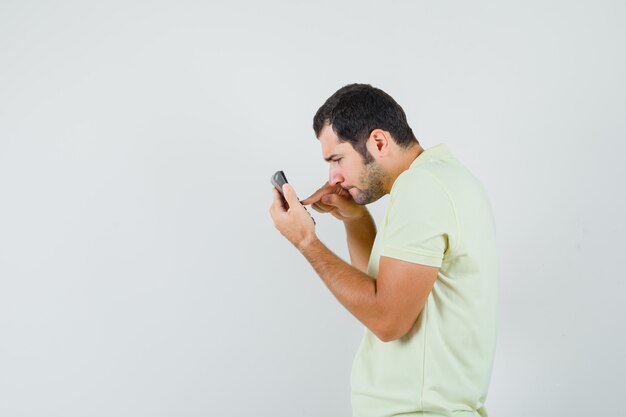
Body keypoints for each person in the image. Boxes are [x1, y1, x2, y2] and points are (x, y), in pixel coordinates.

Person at [269, 83, 497, 417]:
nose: (333, 176)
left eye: (337, 159)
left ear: (378, 142)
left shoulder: (421, 187)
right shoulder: (444, 178)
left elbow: (388, 319)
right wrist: (356, 220)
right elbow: (379, 292)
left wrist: (307, 242)